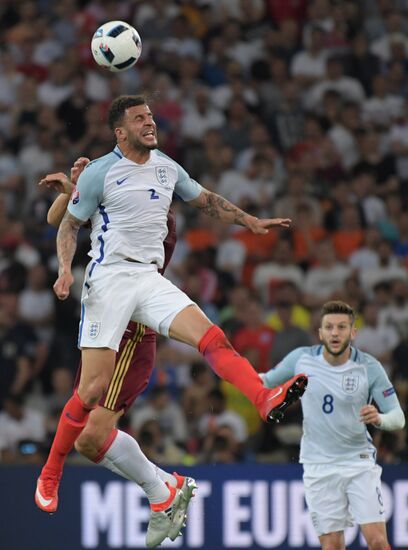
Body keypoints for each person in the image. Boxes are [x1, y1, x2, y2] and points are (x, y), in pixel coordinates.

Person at [35, 95, 307, 544]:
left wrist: (249, 221)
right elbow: (64, 222)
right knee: (90, 396)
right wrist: (67, 263)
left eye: (151, 116)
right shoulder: (104, 170)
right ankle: (55, 474)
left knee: (211, 335)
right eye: (139, 118)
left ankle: (263, 397)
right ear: (120, 132)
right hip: (109, 281)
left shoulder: (166, 169)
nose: (150, 122)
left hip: (147, 280)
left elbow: (206, 200)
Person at [38, 156, 197, 548]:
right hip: (104, 328)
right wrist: (76, 187)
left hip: (130, 331)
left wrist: (78, 192)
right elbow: (56, 221)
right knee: (87, 441)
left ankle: (162, 491)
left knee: (90, 436)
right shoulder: (122, 200)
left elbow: (90, 221)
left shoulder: (154, 221)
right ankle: (165, 489)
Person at [261, 300, 405, 550]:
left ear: (353, 332)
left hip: (358, 462)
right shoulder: (301, 359)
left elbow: (398, 417)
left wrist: (380, 419)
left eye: (341, 327)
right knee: (332, 547)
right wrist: (232, 370)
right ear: (320, 332)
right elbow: (265, 382)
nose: (335, 333)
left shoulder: (368, 367)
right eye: (329, 327)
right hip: (318, 466)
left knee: (379, 542)